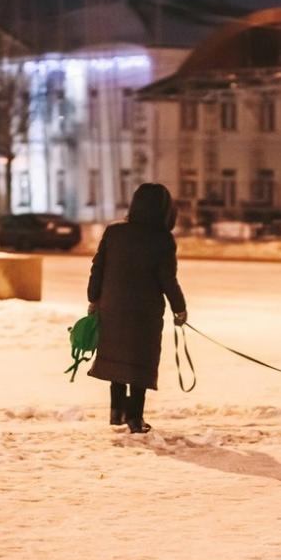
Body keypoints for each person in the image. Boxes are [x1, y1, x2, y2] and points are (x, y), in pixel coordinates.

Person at [87, 183, 187, 434]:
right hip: (144, 313)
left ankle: (116, 412)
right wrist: (179, 308)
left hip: (112, 307)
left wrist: (93, 298)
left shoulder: (114, 232)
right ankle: (135, 417)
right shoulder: (162, 239)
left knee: (117, 360)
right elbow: (167, 279)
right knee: (139, 364)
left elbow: (98, 267)